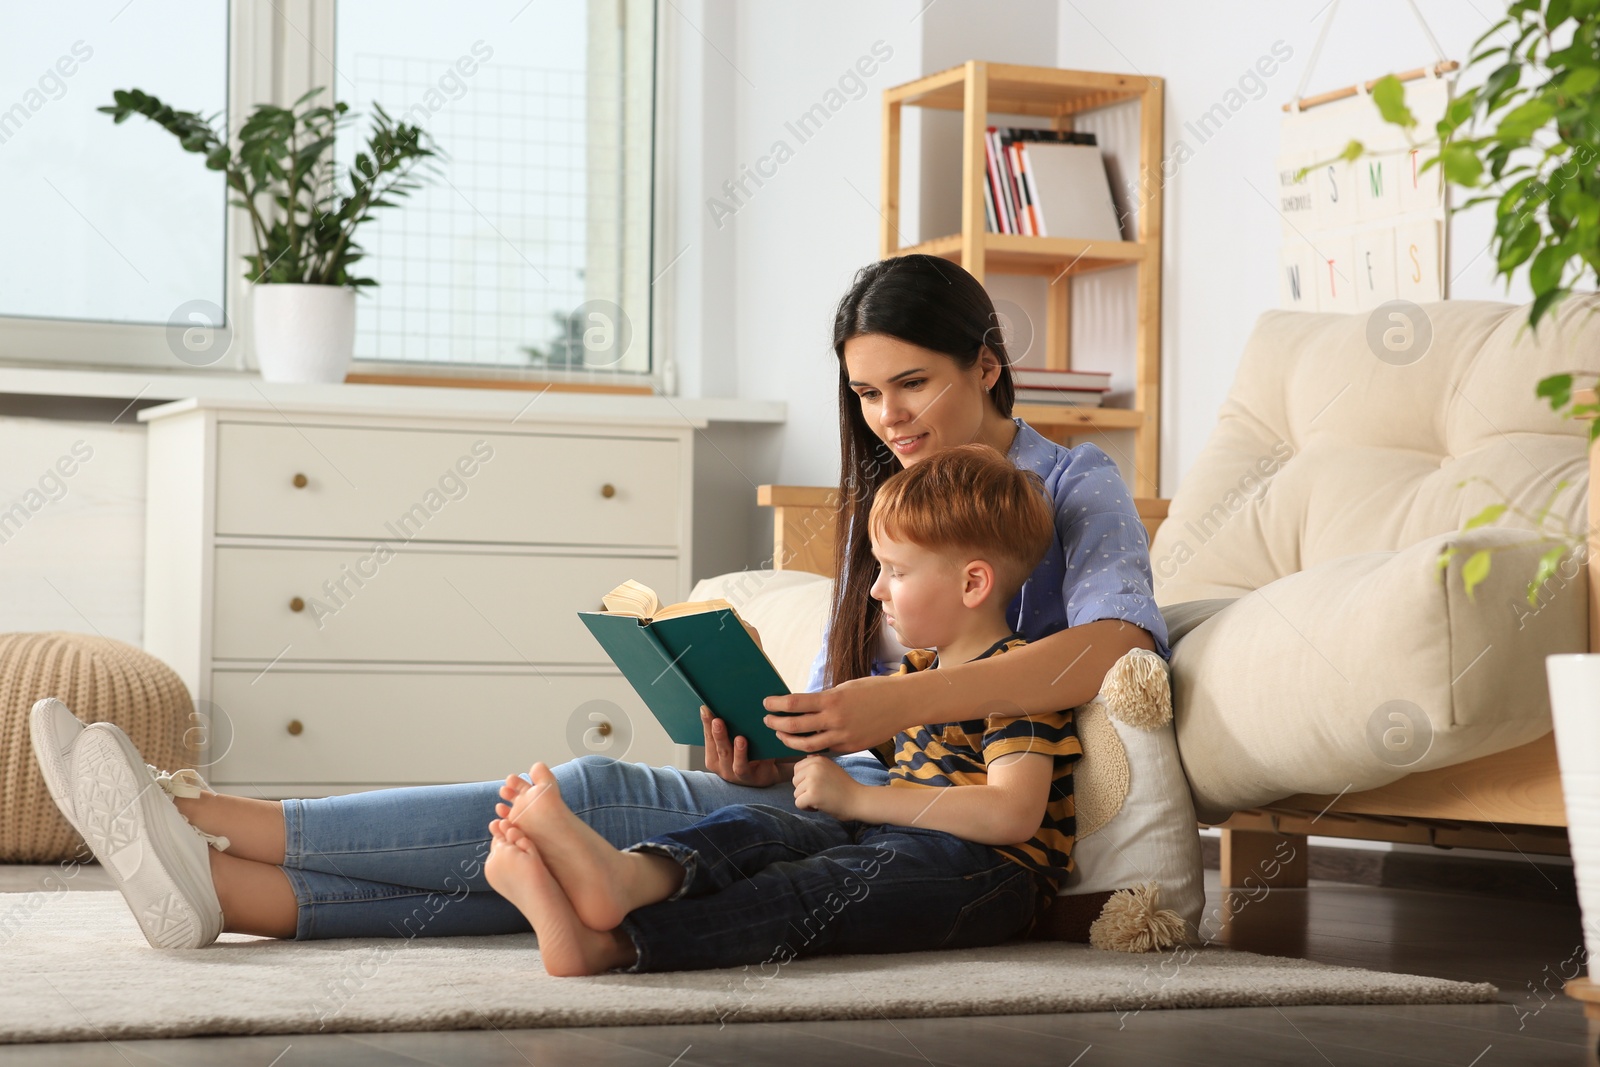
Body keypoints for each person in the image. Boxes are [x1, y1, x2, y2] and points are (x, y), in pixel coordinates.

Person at [29, 253, 1169, 951]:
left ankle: (200, 811)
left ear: (986, 360)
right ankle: (228, 890)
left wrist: (883, 719)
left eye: (911, 383)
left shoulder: (1071, 483)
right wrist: (773, 742)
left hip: (919, 808)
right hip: (850, 781)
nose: (888, 416)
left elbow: (1119, 644)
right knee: (574, 839)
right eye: (867, 393)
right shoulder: (888, 503)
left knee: (591, 796)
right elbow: (846, 701)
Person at [481, 443, 1080, 974]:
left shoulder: (1016, 682)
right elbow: (876, 774)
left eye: (896, 572)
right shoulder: (919, 674)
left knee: (816, 889)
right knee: (761, 828)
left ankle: (614, 945)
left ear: (974, 584)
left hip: (994, 878)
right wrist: (782, 754)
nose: (875, 590)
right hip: (898, 840)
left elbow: (1011, 815)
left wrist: (858, 798)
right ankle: (629, 877)